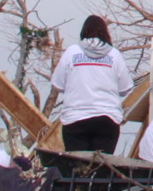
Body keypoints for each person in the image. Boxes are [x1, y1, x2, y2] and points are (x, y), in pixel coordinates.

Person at [50, 15, 135, 154]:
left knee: (77, 169)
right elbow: (125, 88)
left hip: (75, 119)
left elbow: (58, 85)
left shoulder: (71, 52)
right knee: (101, 170)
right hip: (107, 119)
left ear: (84, 32)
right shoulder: (114, 55)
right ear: (105, 33)